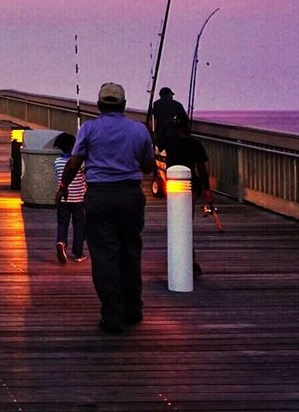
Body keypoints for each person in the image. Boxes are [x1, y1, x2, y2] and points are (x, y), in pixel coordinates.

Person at [58, 82, 156, 333]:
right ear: (123, 105)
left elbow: (73, 163)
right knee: (130, 252)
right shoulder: (140, 130)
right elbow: (148, 167)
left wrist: (63, 186)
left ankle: (112, 315)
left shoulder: (89, 129)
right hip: (131, 196)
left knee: (104, 257)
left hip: (100, 197)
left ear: (100, 105)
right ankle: (133, 308)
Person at [161, 115, 209, 275]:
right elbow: (202, 168)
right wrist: (207, 189)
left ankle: (181, 256)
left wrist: (165, 125)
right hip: (190, 185)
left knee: (176, 220)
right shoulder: (195, 144)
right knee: (186, 221)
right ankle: (189, 259)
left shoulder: (170, 143)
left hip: (173, 185)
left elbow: (157, 140)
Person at [53, 132, 86, 264]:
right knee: (79, 226)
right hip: (78, 199)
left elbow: (59, 176)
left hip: (63, 199)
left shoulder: (57, 162)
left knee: (62, 223)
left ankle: (61, 242)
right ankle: (78, 254)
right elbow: (85, 175)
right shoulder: (81, 163)